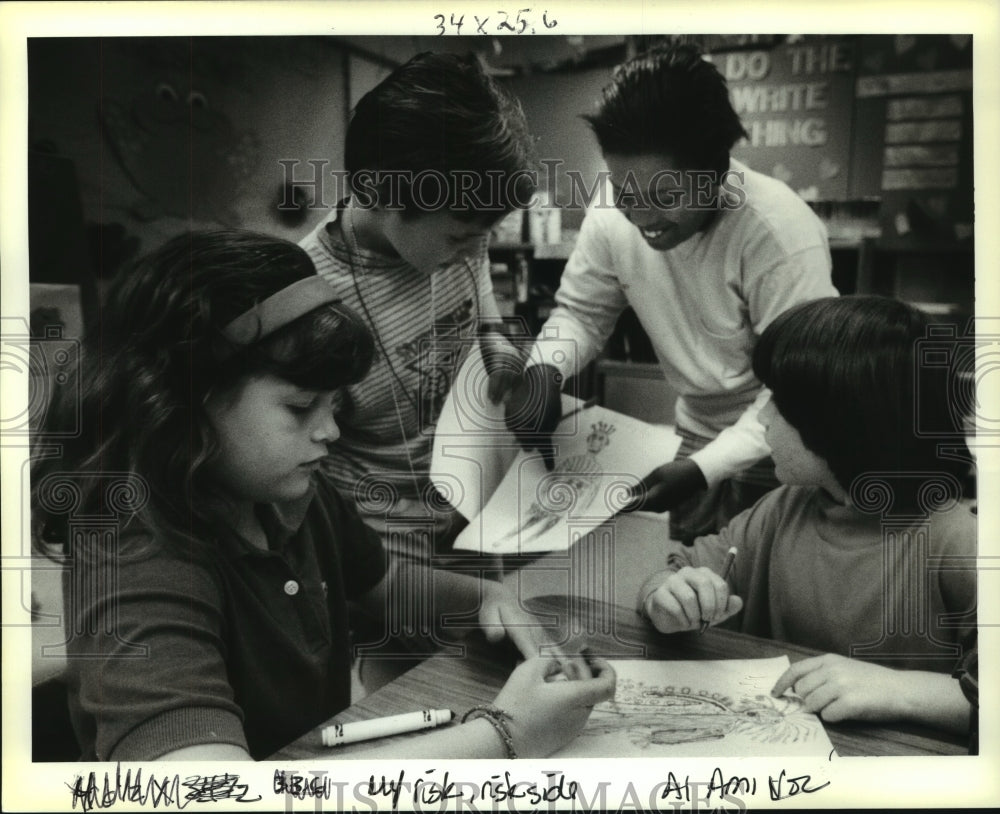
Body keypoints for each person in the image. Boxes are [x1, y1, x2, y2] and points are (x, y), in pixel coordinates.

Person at [31, 230, 615, 762]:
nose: (329, 431)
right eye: (300, 406)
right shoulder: (136, 556)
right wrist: (505, 733)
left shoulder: (288, 493)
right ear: (183, 401)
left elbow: (383, 589)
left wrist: (486, 599)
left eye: (334, 405)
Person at [505, 42, 838, 544]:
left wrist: (706, 468)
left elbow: (798, 384)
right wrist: (545, 369)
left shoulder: (778, 233)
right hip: (692, 435)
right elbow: (583, 312)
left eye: (665, 197)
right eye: (625, 194)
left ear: (716, 171)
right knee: (685, 586)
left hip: (784, 447)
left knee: (763, 585)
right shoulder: (611, 213)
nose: (641, 217)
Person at [636, 296, 976, 733]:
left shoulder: (955, 540)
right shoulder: (782, 509)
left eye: (779, 400)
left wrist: (898, 690)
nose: (762, 415)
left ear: (842, 422)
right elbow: (672, 575)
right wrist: (666, 598)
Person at [299, 51, 532, 558]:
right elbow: (299, 459)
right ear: (377, 191)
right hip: (379, 546)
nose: (474, 251)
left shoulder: (463, 227)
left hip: (469, 508)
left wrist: (496, 341)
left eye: (484, 235)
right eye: (458, 237)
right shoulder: (309, 300)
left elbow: (482, 300)